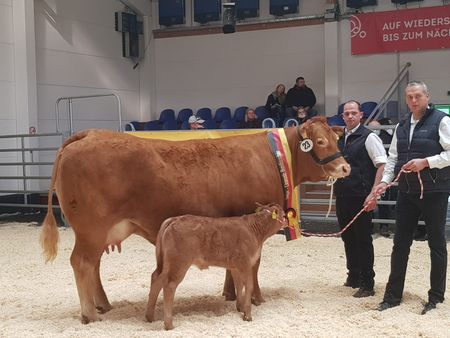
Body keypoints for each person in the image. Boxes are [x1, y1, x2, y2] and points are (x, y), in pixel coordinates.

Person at [372, 81, 450, 315]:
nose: (413, 101)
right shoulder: (402, 125)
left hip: (434, 191)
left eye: (417, 96)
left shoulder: (442, 121)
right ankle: (392, 296)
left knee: (436, 245)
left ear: (427, 97)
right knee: (400, 244)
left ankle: (435, 298)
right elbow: (392, 158)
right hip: (406, 192)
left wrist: (426, 162)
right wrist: (384, 182)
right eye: (409, 97)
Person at [334, 100, 387, 298]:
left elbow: (382, 164)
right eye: (346, 113)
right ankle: (353, 275)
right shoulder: (340, 138)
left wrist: (374, 193)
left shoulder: (369, 137)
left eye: (353, 113)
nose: (349, 116)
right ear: (342, 116)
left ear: (361, 115)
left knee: (363, 239)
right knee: (348, 238)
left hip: (361, 196)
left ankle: (368, 282)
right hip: (342, 194)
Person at [368, 119, 394, 237]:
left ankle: (384, 226)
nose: (374, 130)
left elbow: (391, 155)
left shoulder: (388, 137)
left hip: (384, 173)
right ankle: (369, 225)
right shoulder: (366, 137)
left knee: (383, 201)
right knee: (368, 199)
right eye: (372, 128)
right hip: (369, 173)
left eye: (377, 128)